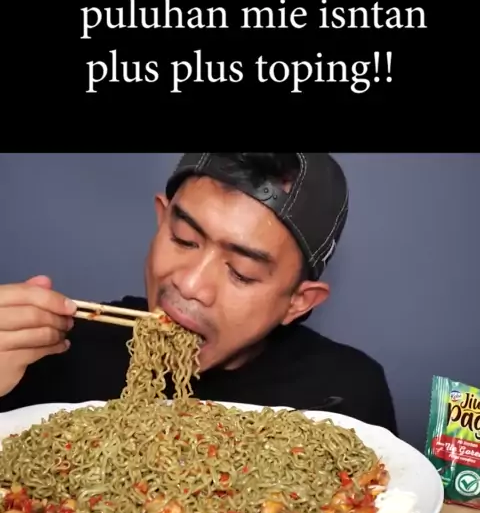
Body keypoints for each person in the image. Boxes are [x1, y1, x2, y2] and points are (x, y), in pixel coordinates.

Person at [0, 152, 397, 432]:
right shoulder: (55, 351)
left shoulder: (345, 396)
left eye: (241, 273)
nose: (190, 285)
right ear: (161, 220)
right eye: (184, 239)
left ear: (298, 302)